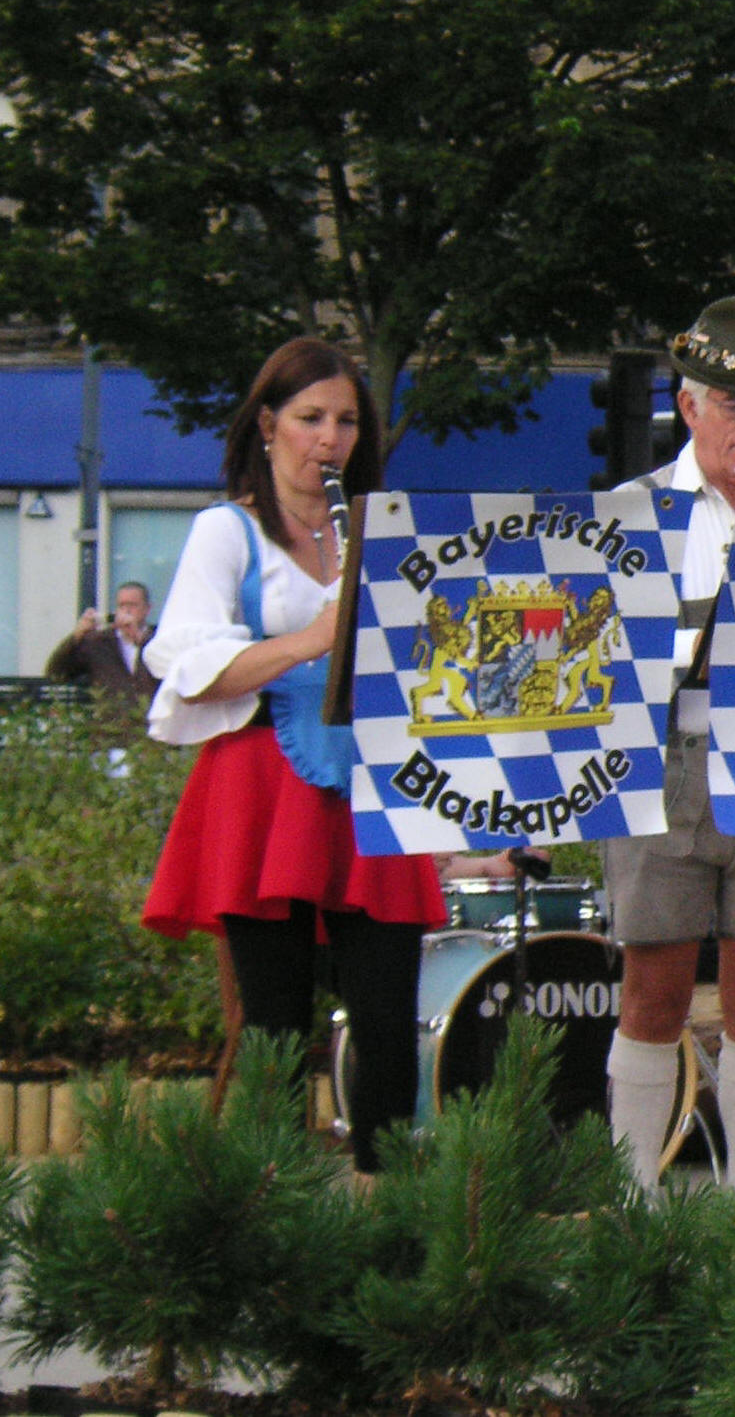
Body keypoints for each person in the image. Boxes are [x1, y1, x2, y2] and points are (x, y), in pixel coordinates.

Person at [140, 338, 447, 1175]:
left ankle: (387, 1215)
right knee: (273, 1023)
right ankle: (273, 1216)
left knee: (388, 1017)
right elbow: (184, 666)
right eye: (311, 418)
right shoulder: (225, 531)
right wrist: (312, 638)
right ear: (268, 423)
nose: (330, 439)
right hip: (262, 787)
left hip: (372, 785)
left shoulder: (384, 527)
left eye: (346, 421)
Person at [602, 296, 735, 1200]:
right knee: (652, 994)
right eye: (734, 405)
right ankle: (631, 1197)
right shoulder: (628, 512)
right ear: (689, 407)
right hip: (667, 765)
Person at [48, 581, 159, 702]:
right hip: (113, 718)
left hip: (154, 717)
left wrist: (141, 640)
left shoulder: (158, 640)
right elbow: (56, 672)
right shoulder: (99, 642)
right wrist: (77, 635)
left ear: (147, 609)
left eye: (132, 605)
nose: (127, 611)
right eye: (122, 605)